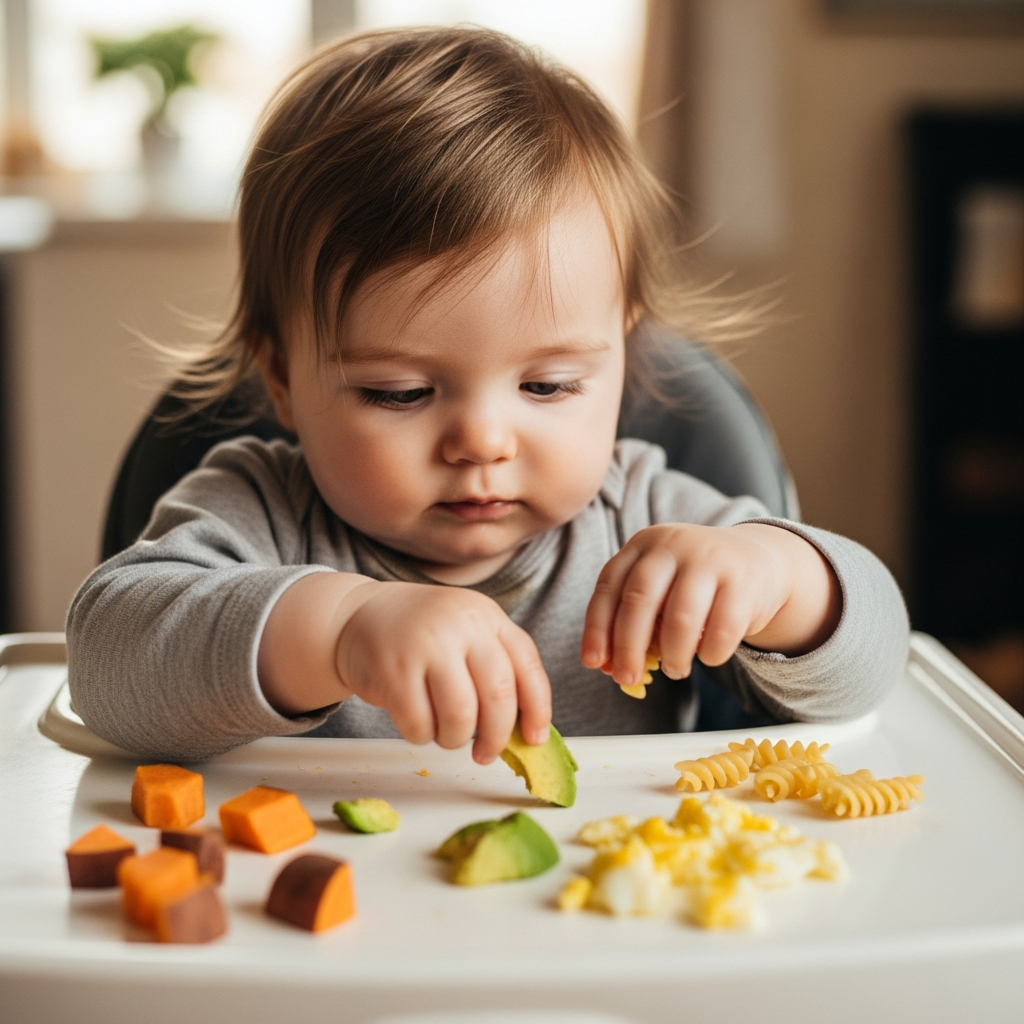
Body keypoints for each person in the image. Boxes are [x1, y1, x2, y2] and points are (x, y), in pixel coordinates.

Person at [66, 27, 908, 764]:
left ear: (621, 352)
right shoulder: (259, 512)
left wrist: (779, 579)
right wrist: (339, 630)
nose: (482, 440)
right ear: (282, 378)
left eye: (548, 384)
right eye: (399, 393)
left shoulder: (643, 515)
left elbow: (875, 666)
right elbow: (105, 664)